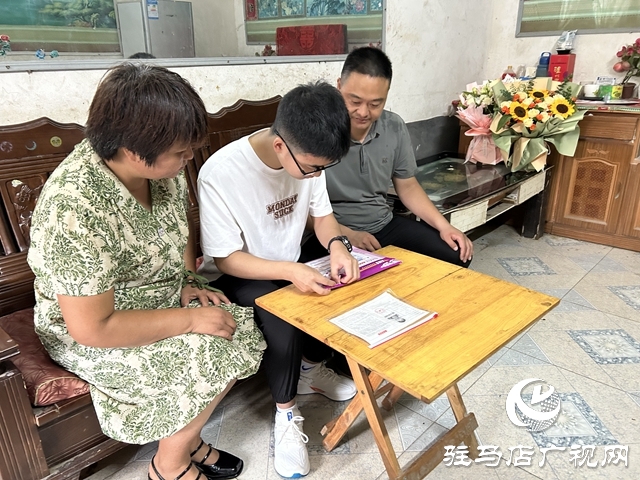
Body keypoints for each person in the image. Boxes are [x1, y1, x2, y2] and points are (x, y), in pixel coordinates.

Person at [27, 63, 265, 480]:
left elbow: (177, 228)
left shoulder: (163, 172)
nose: (189, 159)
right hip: (92, 325)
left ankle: (188, 442)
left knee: (238, 327)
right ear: (132, 149)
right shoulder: (74, 206)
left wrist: (189, 280)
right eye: (181, 151)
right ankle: (169, 465)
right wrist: (189, 320)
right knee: (208, 351)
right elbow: (91, 328)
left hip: (157, 296)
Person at [197, 81, 359, 479]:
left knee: (343, 283)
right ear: (280, 146)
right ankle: (286, 414)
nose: (316, 175)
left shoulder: (310, 158)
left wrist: (338, 246)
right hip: (238, 273)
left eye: (323, 168)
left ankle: (309, 371)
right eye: (312, 168)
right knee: (282, 317)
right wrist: (290, 271)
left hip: (289, 258)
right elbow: (226, 258)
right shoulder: (220, 173)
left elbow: (322, 216)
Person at [300, 47, 474, 267]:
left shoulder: (394, 126)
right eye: (354, 101)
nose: (363, 112)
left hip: (383, 225)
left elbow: (408, 186)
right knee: (317, 279)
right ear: (339, 86)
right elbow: (301, 207)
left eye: (375, 104)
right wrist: (347, 235)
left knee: (456, 254)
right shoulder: (316, 132)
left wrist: (444, 226)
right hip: (329, 232)